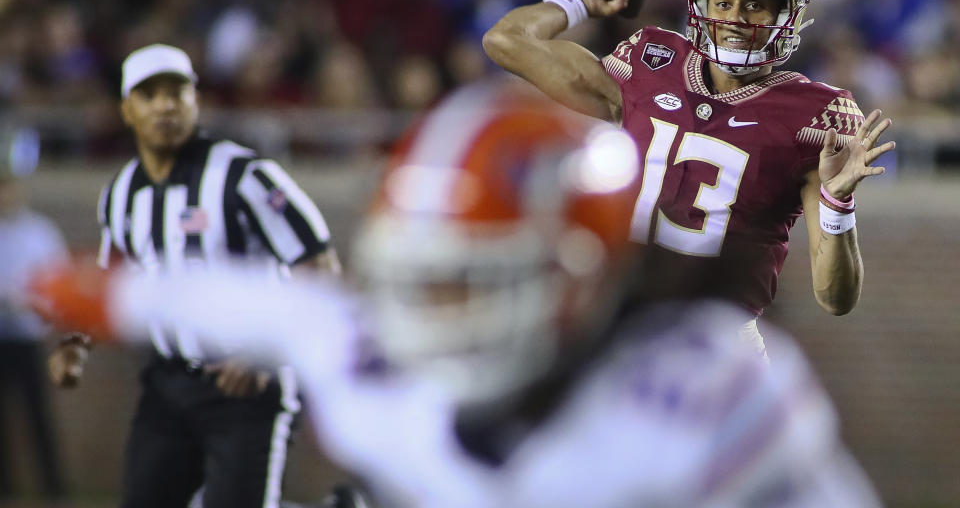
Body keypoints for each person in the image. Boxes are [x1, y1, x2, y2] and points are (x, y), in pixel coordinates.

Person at [31, 81, 881, 507]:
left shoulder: (702, 401)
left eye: (467, 282)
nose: (428, 318)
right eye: (420, 279)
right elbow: (225, 302)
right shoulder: (377, 365)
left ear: (575, 279)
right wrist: (48, 283)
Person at [482, 0, 896, 343]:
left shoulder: (816, 116)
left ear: (786, 14)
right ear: (700, 3)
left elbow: (835, 298)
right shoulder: (649, 63)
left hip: (719, 337)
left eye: (754, 5)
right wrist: (574, 2)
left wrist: (837, 203)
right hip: (616, 320)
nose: (735, 19)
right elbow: (506, 40)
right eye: (723, 2)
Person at [46, 43, 342, 508]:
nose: (165, 104)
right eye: (149, 94)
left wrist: (262, 352)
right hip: (167, 385)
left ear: (196, 101)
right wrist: (74, 344)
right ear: (126, 109)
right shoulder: (121, 192)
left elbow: (318, 266)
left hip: (244, 383)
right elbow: (110, 278)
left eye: (176, 92)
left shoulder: (243, 175)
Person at [0, 125, 67, 500]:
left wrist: (31, 302)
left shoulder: (40, 232)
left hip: (26, 334)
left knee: (36, 415)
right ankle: (6, 489)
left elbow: (56, 281)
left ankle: (53, 490)